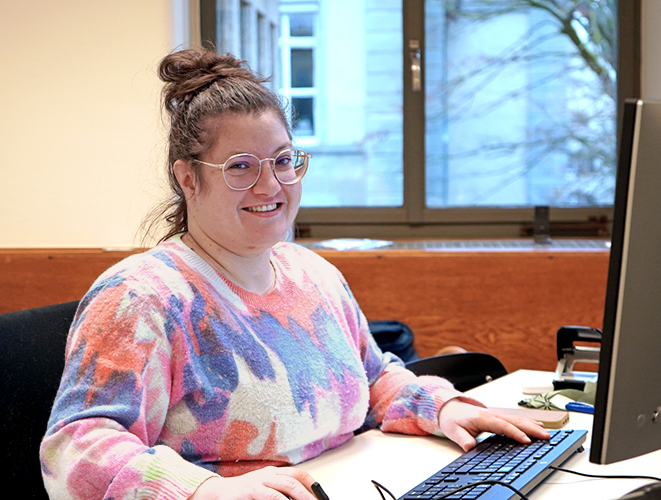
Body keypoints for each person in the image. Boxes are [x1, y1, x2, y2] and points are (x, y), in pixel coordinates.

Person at [40, 48, 549, 500]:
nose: (271, 185)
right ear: (188, 177)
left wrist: (442, 408)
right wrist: (206, 490)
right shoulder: (142, 297)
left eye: (283, 160)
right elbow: (78, 448)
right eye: (241, 166)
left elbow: (373, 378)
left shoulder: (313, 274)